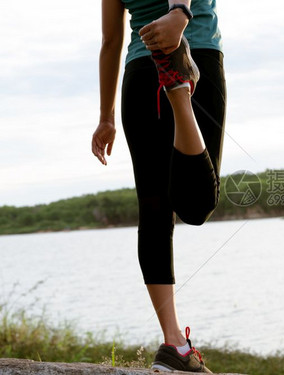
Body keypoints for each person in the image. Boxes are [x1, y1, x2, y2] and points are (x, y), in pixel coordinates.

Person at [91, 0, 226, 372]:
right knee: (197, 206)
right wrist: (180, 14)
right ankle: (179, 94)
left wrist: (106, 118)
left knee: (153, 211)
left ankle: (174, 344)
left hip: (139, 71)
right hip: (195, 54)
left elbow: (109, 41)